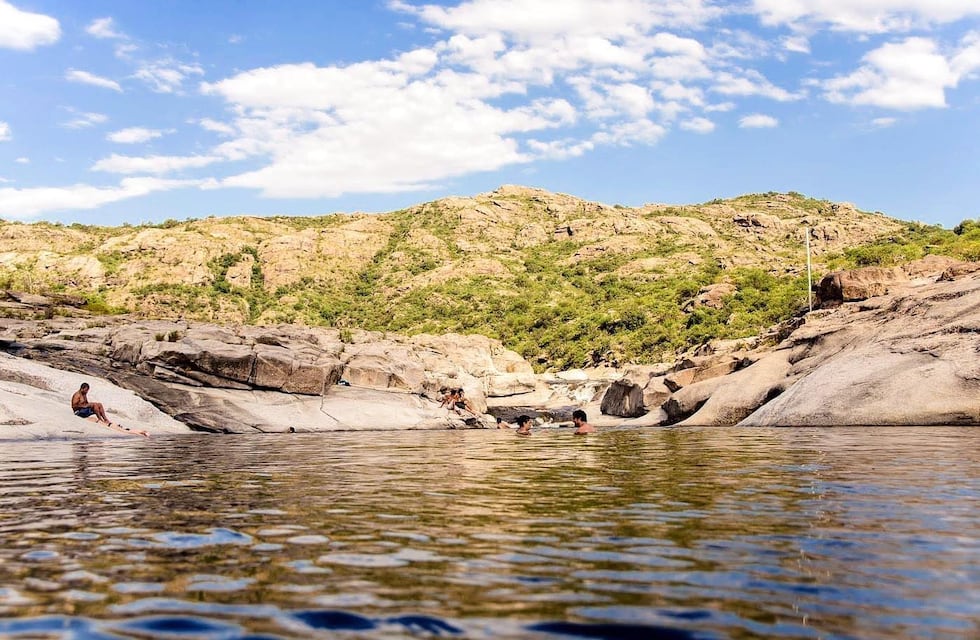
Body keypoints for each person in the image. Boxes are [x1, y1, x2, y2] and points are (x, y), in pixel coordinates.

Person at [71, 382, 149, 437]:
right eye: (86, 390)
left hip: (84, 410)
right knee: (94, 405)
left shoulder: (84, 394)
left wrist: (88, 405)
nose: (87, 391)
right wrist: (86, 406)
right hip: (78, 412)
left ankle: (105, 419)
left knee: (99, 404)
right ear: (82, 388)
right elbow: (74, 406)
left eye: (87, 390)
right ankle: (100, 419)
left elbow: (86, 403)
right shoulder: (77, 395)